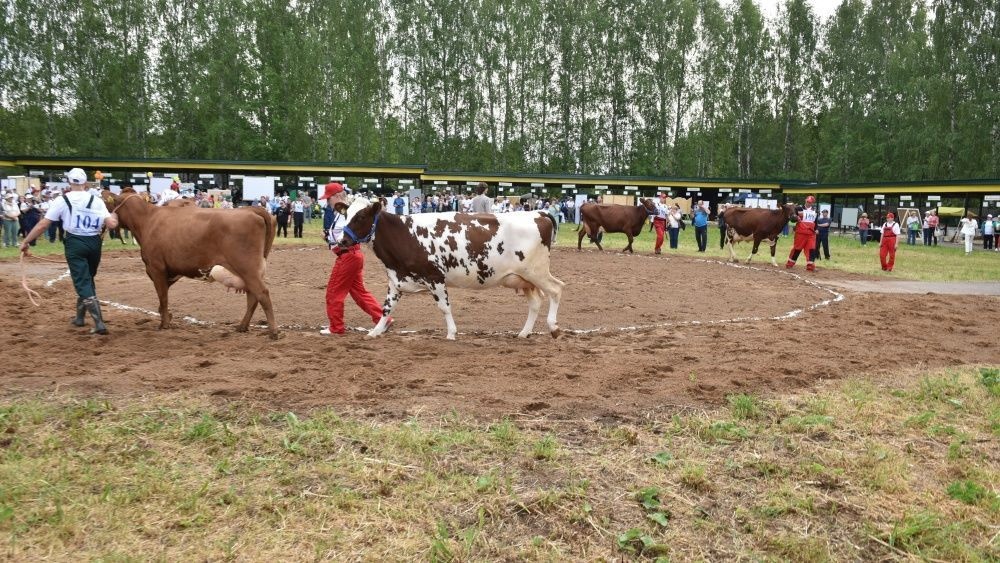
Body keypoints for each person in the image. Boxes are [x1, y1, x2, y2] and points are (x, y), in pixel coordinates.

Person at [20, 168, 119, 334]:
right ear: (86, 183)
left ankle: (99, 323)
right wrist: (114, 217)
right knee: (87, 278)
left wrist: (26, 241)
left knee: (82, 281)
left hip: (75, 243)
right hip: (94, 243)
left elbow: (44, 224)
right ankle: (79, 318)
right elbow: (111, 225)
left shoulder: (62, 200)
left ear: (69, 182)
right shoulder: (96, 200)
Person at [319, 182, 389, 335]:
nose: (327, 201)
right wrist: (328, 237)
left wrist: (330, 239)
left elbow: (347, 237)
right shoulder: (343, 211)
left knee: (333, 292)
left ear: (337, 196)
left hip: (347, 256)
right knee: (359, 293)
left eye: (328, 198)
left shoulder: (349, 211)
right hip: (352, 255)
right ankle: (382, 318)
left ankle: (336, 327)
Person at [786, 195, 818, 271]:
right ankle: (790, 263)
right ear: (805, 200)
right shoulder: (798, 208)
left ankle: (810, 265)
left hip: (811, 233)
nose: (808, 203)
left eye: (810, 202)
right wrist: (794, 218)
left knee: (811, 249)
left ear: (812, 203)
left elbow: (815, 222)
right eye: (807, 202)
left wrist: (817, 229)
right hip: (801, 233)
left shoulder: (815, 211)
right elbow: (792, 219)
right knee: (797, 248)